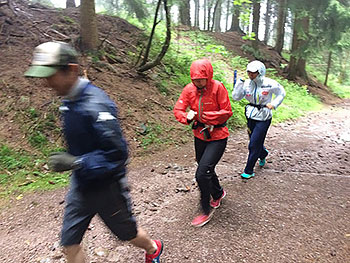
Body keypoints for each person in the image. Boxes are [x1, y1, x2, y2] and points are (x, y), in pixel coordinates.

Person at [25, 41, 163, 263]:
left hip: (107, 188)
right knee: (69, 243)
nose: (46, 83)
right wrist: (76, 163)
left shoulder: (97, 105)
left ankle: (153, 247)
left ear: (71, 70)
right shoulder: (69, 100)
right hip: (81, 185)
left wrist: (77, 161)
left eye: (50, 75)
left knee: (127, 233)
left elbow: (117, 156)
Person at [174, 59, 233, 227]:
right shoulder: (189, 90)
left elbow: (227, 112)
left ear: (208, 77)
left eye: (201, 79)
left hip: (218, 136)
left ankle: (205, 210)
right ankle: (218, 193)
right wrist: (186, 117)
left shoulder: (217, 87)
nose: (198, 83)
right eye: (195, 80)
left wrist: (205, 117)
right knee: (205, 167)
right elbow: (178, 109)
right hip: (200, 135)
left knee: (201, 174)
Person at [232, 60, 286, 179]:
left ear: (260, 72)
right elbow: (236, 97)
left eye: (254, 73)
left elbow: (281, 93)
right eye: (249, 72)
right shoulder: (246, 84)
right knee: (254, 140)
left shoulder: (269, 83)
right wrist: (239, 84)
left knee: (253, 143)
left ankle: (249, 170)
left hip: (264, 116)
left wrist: (274, 104)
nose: (251, 75)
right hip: (250, 115)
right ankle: (263, 153)